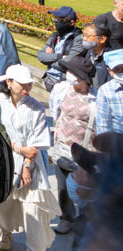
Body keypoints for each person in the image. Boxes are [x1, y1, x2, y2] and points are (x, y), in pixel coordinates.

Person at [0, 64, 59, 251]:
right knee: (5, 202)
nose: (27, 89)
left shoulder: (36, 107)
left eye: (29, 85)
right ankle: (6, 231)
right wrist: (18, 149)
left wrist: (27, 164)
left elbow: (37, 142)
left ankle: (35, 246)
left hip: (32, 164)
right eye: (23, 85)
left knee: (34, 207)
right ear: (9, 82)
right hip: (4, 160)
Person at [49, 56, 97, 236]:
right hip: (63, 147)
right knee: (62, 188)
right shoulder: (61, 90)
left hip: (85, 152)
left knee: (84, 190)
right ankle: (66, 218)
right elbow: (55, 111)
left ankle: (85, 221)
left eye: (72, 72)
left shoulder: (95, 98)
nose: (68, 75)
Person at [37, 6, 85, 91]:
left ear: (72, 22)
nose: (57, 22)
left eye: (60, 19)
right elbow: (40, 56)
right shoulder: (55, 36)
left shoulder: (78, 39)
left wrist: (50, 58)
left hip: (66, 84)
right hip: (49, 80)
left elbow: (69, 63)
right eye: (56, 19)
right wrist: (59, 57)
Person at [94, 48, 123, 135]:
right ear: (109, 71)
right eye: (118, 70)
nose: (122, 72)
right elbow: (103, 125)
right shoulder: (106, 91)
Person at [83, 19, 111, 91]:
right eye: (83, 35)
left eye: (88, 36)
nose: (84, 39)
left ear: (102, 39)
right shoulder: (89, 52)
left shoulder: (110, 60)